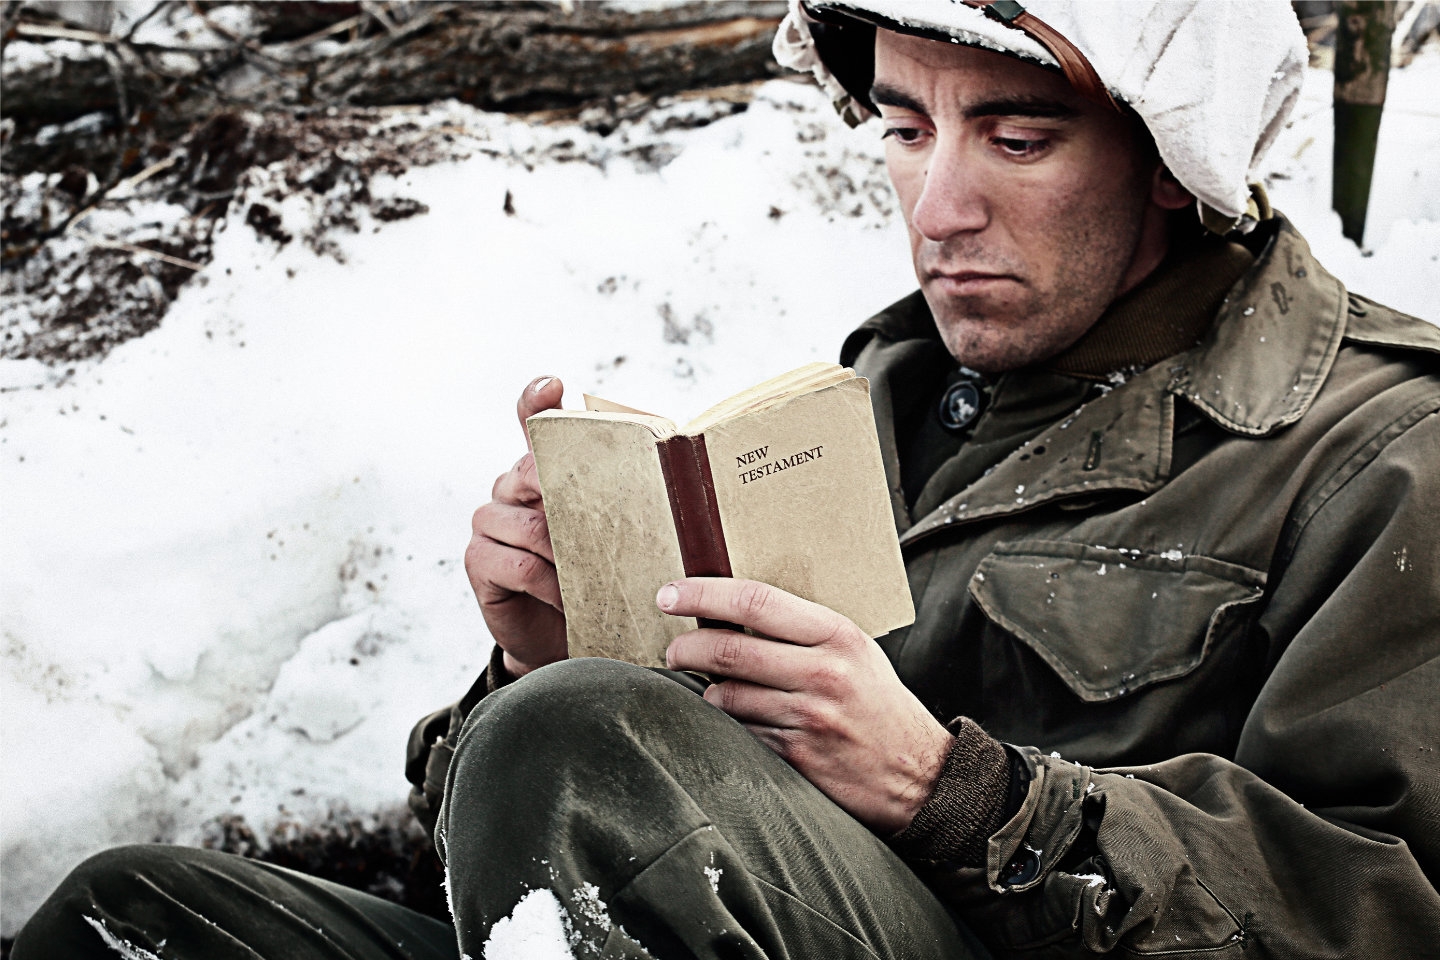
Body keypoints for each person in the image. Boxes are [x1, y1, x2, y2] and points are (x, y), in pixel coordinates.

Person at [15, 1, 1439, 958]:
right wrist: (544, 662)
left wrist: (957, 794)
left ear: (1175, 161)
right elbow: (588, 846)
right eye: (905, 130)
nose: (940, 211)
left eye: (1017, 139)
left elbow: (1390, 909)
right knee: (129, 917)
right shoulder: (879, 392)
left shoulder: (1381, 450)